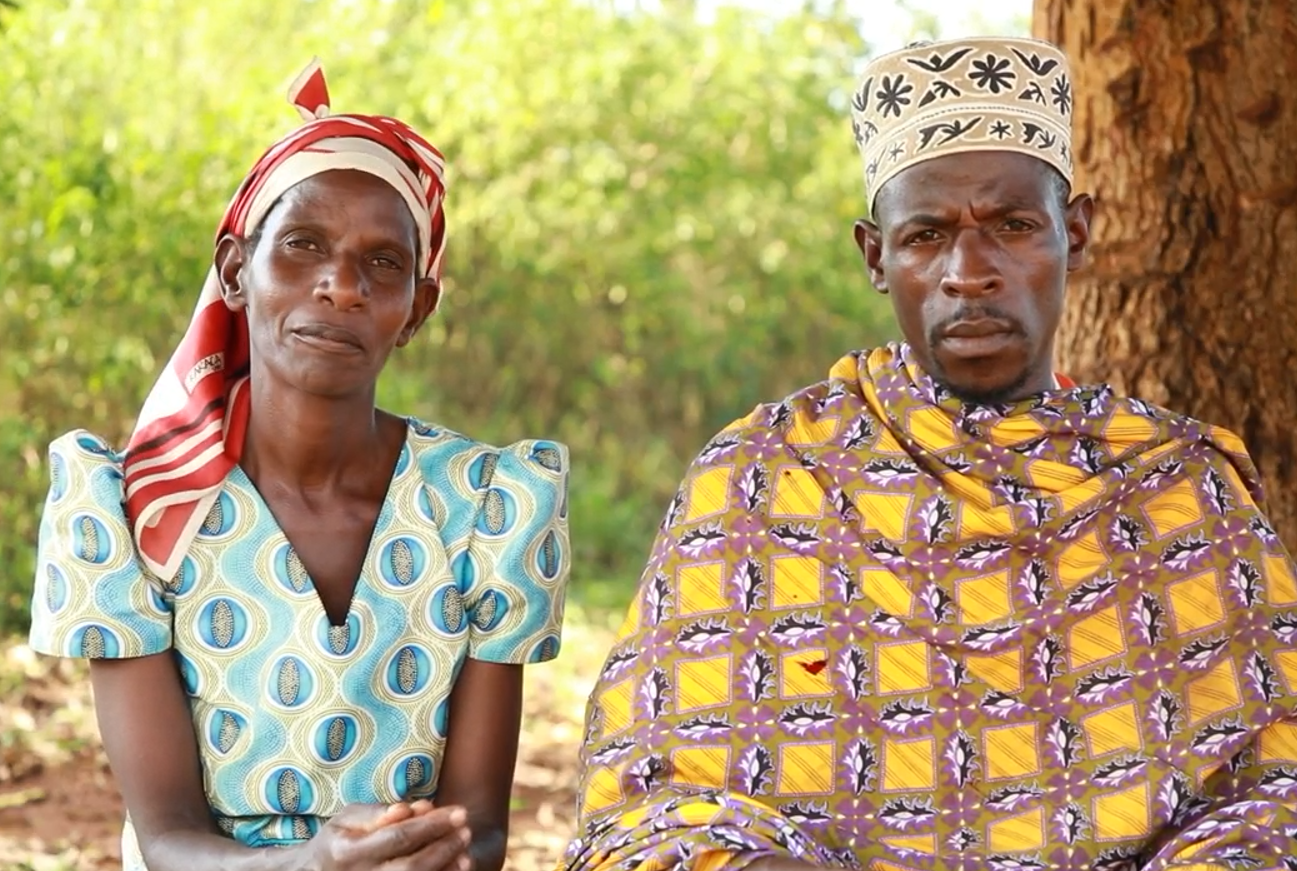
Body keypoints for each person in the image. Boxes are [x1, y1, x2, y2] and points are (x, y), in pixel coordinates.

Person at [562, 36, 1297, 871]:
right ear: (876, 257)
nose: (969, 271)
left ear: (1078, 234)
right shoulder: (767, 474)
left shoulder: (1177, 487)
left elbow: (1274, 784)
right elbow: (652, 799)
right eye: (925, 236)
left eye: (1014, 226)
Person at [28, 60, 570, 871]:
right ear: (235, 272)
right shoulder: (138, 507)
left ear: (417, 309)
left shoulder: (488, 505)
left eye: (383, 263)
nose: (341, 286)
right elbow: (167, 834)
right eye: (302, 245)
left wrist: (428, 854)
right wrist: (312, 864)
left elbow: (479, 827)